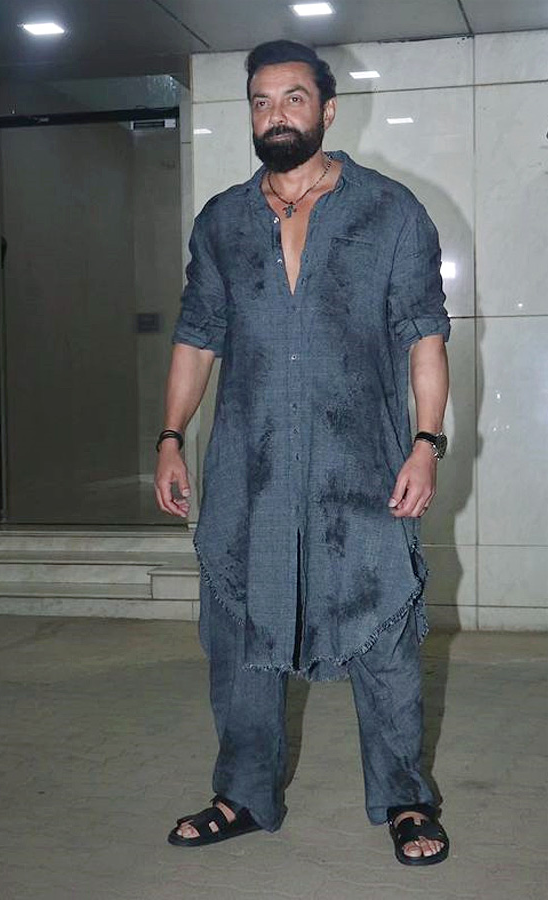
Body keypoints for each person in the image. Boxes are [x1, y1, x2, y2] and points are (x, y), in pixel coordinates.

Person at [155, 40, 450, 866]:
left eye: (292, 98)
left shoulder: (390, 212)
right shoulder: (221, 222)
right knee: (239, 634)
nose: (275, 114)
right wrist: (171, 436)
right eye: (260, 100)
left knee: (384, 633)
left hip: (364, 466)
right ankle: (242, 795)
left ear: (326, 110)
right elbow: (197, 338)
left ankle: (406, 800)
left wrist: (426, 444)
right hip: (249, 470)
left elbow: (424, 338)